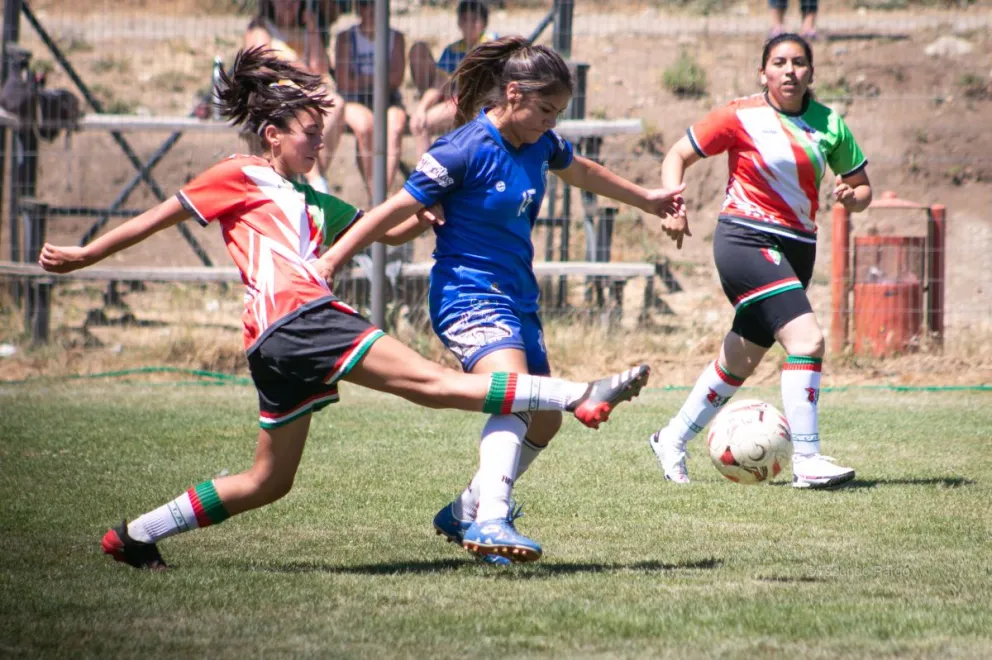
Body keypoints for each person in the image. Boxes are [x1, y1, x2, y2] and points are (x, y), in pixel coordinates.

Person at [36, 47, 651, 570]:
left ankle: (134, 536)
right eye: (310, 133)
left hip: (272, 343)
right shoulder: (240, 174)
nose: (320, 143)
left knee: (268, 482)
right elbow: (159, 216)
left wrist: (429, 215)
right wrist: (87, 253)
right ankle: (578, 394)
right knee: (435, 384)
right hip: (302, 316)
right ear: (272, 135)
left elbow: (384, 226)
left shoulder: (311, 201)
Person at [317, 36, 685, 563]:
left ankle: (464, 510)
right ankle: (491, 518)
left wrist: (647, 199)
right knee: (513, 394)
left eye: (558, 113)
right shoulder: (462, 149)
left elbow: (581, 170)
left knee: (544, 420)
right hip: (466, 292)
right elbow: (389, 211)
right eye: (545, 109)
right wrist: (332, 260)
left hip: (517, 296)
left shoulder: (540, 142)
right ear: (513, 94)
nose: (551, 122)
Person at [648, 33, 872, 489]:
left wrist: (854, 197)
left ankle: (671, 438)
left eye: (799, 63)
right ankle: (806, 460)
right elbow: (678, 154)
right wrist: (674, 205)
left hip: (797, 249)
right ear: (763, 72)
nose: (790, 71)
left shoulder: (830, 123)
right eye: (779, 62)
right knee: (807, 340)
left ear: (811, 72)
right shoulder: (740, 115)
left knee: (740, 359)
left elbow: (862, 186)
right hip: (745, 240)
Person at [244, 0, 345, 193]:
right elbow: (264, 68)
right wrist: (302, 70)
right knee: (301, 114)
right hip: (273, 99)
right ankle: (316, 183)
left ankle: (308, 175)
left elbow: (320, 69)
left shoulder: (306, 30)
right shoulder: (261, 28)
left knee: (336, 103)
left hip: (304, 99)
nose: (289, 4)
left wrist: (312, 28)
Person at [334, 0, 407, 200]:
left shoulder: (396, 37)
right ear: (359, 8)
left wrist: (359, 78)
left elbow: (397, 78)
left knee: (396, 124)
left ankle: (380, 198)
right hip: (354, 100)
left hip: (388, 99)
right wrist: (380, 78)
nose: (370, 10)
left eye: (375, 5)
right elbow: (343, 82)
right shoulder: (345, 38)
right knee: (365, 125)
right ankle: (376, 197)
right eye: (365, 4)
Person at [407, 0, 495, 157]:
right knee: (419, 123)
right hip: (457, 103)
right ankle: (426, 169)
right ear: (459, 22)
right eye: (465, 19)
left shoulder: (491, 45)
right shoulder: (452, 51)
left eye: (474, 19)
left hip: (484, 104)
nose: (469, 25)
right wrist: (421, 108)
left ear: (484, 23)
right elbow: (439, 83)